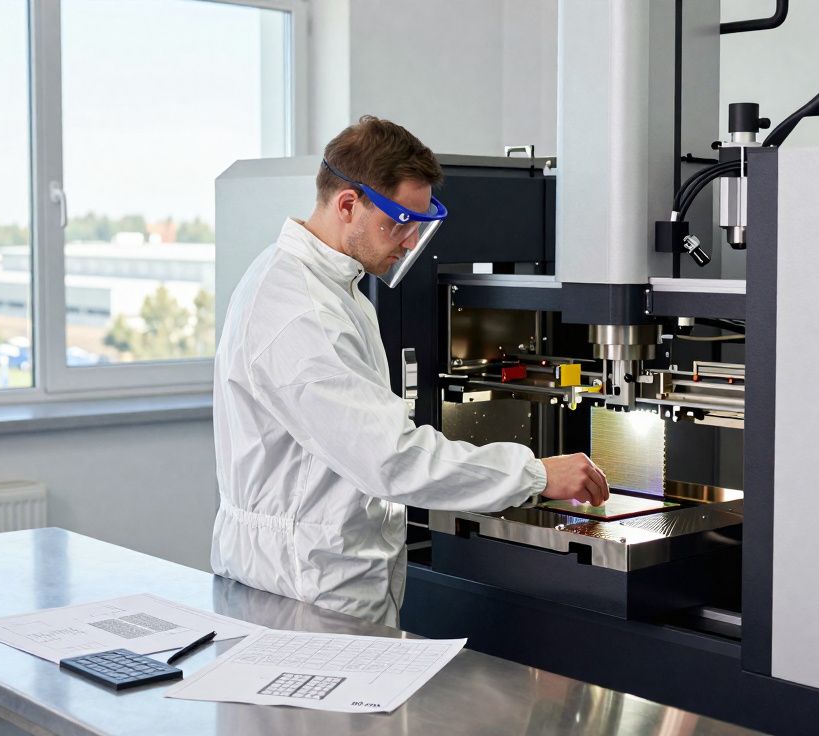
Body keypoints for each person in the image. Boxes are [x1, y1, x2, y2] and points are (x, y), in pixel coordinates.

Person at [211, 115, 609, 626]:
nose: (407, 242)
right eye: (398, 221)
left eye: (418, 226)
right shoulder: (302, 311)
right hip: (304, 585)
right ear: (348, 204)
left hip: (323, 571)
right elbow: (390, 459)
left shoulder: (331, 288)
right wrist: (535, 474)